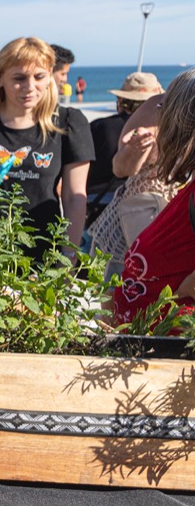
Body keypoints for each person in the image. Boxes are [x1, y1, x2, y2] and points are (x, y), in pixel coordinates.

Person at [0, 37, 94, 257]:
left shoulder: (68, 122)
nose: (30, 87)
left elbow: (74, 198)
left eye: (39, 77)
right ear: (0, 78)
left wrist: (68, 257)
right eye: (19, 78)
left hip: (38, 256)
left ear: (50, 76)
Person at [112, 70, 195, 327]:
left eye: (165, 109)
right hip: (152, 338)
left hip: (169, 340)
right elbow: (120, 167)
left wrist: (181, 291)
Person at [94, 72, 188, 279]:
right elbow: (120, 168)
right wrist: (135, 150)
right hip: (142, 217)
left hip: (172, 216)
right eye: (127, 103)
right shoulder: (155, 109)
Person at [84, 71, 164, 231]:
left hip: (98, 203)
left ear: (122, 101)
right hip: (144, 207)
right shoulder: (160, 131)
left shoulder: (99, 126)